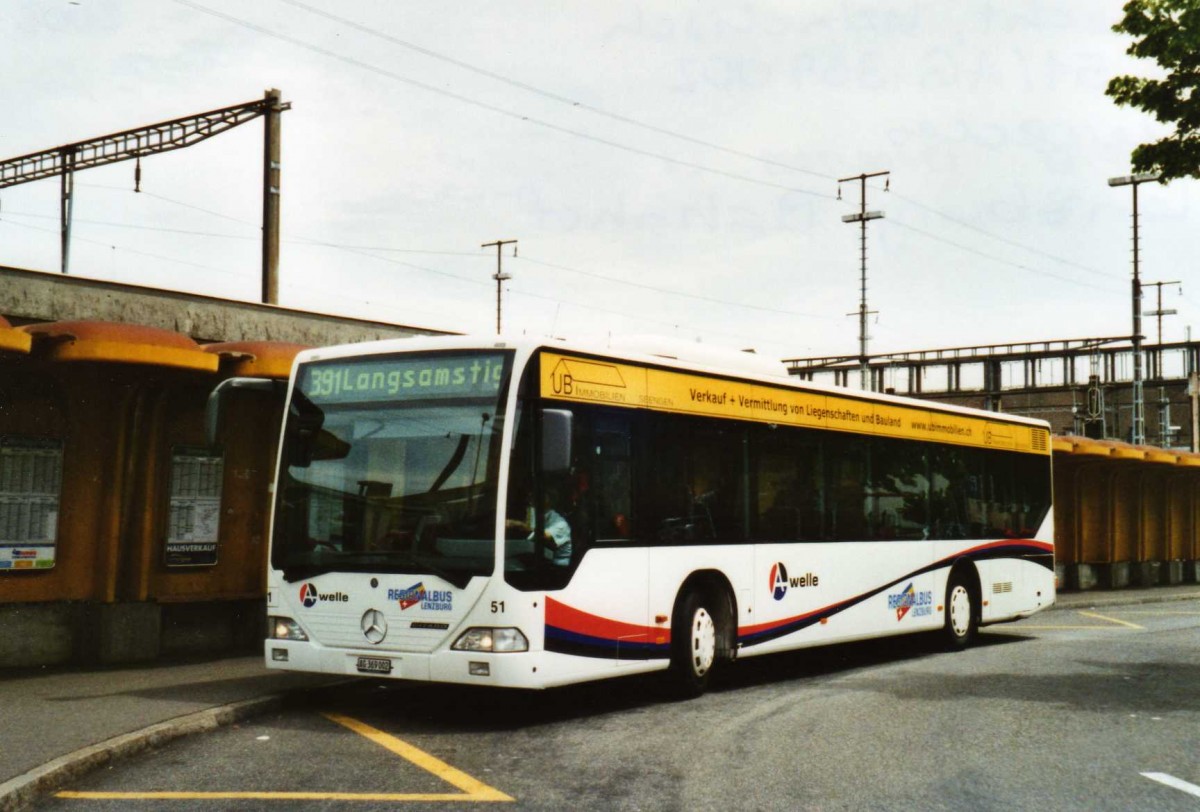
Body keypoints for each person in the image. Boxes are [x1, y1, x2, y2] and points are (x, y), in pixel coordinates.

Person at [506, 486, 572, 565]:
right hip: (542, 557)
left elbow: (543, 535)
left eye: (534, 497)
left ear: (547, 500)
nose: (530, 500)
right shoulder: (539, 516)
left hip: (558, 565)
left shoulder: (561, 523)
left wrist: (519, 524)